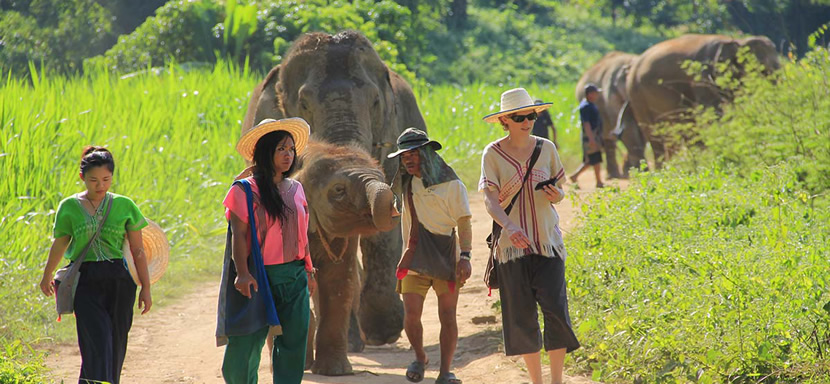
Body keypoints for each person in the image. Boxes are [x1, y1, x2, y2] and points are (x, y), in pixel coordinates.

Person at [480, 88, 580, 384]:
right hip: (511, 248)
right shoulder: (493, 154)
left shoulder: (546, 148)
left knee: (557, 312)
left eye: (531, 115)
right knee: (522, 318)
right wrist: (510, 227)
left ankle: (556, 381)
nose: (527, 121)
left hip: (548, 243)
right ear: (505, 121)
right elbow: (490, 200)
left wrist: (557, 194)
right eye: (519, 117)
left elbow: (560, 192)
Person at [39, 146, 153, 384]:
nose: (100, 185)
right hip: (86, 280)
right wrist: (47, 274)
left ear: (112, 177)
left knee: (117, 340)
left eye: (106, 179)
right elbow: (60, 244)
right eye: (93, 180)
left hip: (121, 280)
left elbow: (138, 251)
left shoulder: (125, 206)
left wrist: (146, 287)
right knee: (96, 340)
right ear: (82, 177)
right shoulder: (69, 207)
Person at [217, 118, 316, 384]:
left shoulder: (297, 189)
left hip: (294, 276)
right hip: (258, 277)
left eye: (291, 149)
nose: (288, 155)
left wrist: (308, 270)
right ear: (266, 153)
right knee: (246, 344)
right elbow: (238, 234)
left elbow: (302, 235)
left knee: (294, 343)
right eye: (281, 149)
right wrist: (243, 273)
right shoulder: (244, 190)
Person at [388, 128, 473, 384]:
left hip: (448, 259)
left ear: (427, 153)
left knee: (448, 316)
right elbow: (390, 211)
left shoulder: (452, 185)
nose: (409, 160)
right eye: (404, 156)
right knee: (411, 314)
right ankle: (419, 356)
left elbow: (464, 223)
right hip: (414, 257)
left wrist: (466, 256)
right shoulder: (405, 183)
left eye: (413, 153)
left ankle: (446, 371)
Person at [568, 84, 604, 188]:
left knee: (595, 158)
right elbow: (586, 123)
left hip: (594, 135)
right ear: (590, 94)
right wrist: (591, 138)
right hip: (590, 136)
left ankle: (598, 181)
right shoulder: (585, 107)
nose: (597, 95)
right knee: (592, 159)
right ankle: (576, 176)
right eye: (595, 93)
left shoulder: (591, 105)